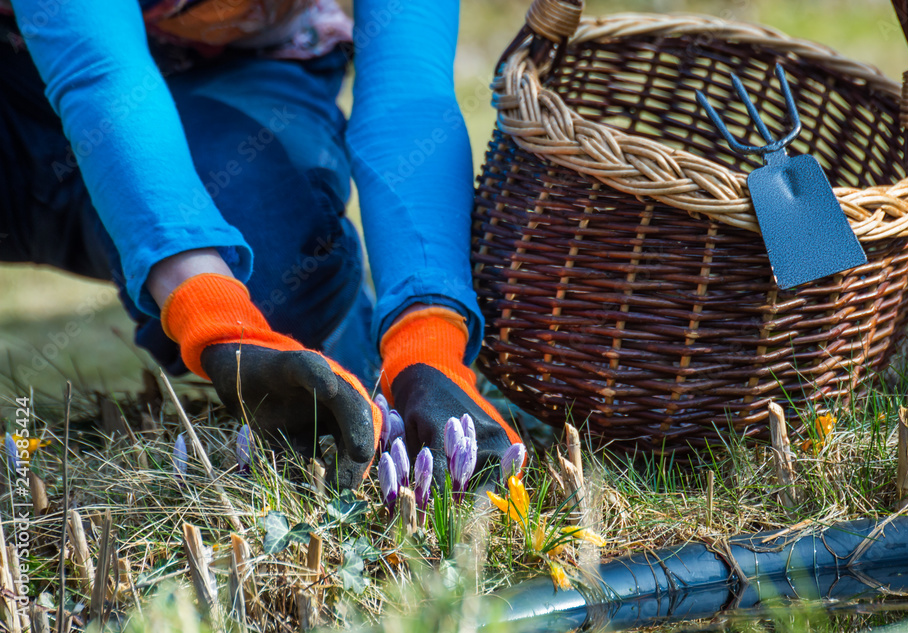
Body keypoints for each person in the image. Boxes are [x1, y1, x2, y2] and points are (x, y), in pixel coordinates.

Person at [0, 0, 521, 488]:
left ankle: (340, 346)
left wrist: (428, 339)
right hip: (20, 78)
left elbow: (409, 93)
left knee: (277, 281)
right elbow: (97, 68)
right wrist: (211, 311)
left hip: (234, 71)